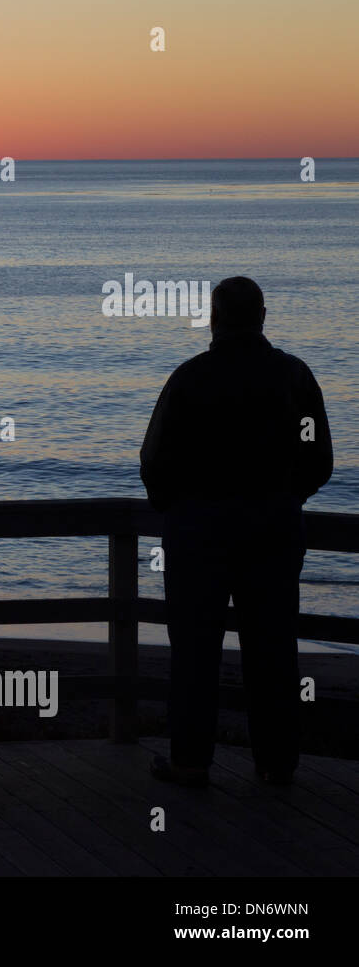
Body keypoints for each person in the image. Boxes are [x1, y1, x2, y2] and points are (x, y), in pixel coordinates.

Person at [139, 276, 332, 787]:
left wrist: (177, 507)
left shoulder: (189, 379)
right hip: (272, 529)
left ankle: (190, 762)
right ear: (264, 316)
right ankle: (276, 763)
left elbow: (155, 461)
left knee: (195, 651)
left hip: (199, 531)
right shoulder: (294, 378)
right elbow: (319, 458)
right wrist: (286, 498)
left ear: (214, 318)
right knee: (273, 649)